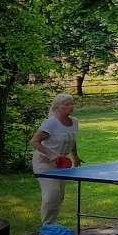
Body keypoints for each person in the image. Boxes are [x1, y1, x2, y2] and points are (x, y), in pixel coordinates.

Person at [30, 93, 82, 225]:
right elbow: (35, 142)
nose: (71, 106)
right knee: (51, 194)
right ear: (58, 107)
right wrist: (52, 155)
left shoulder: (74, 122)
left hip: (60, 164)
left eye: (72, 103)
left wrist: (75, 156)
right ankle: (47, 227)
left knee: (59, 196)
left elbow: (72, 140)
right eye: (67, 104)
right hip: (44, 163)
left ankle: (52, 223)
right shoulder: (50, 123)